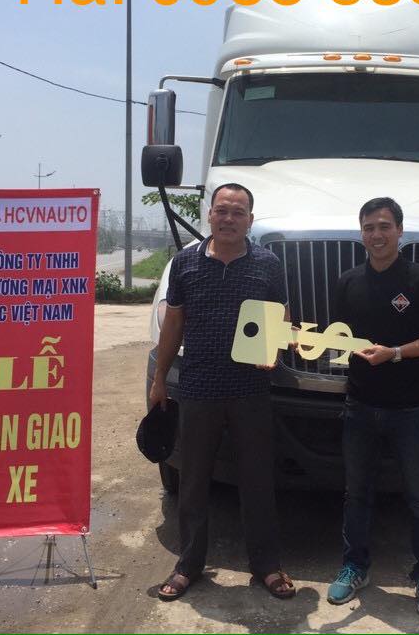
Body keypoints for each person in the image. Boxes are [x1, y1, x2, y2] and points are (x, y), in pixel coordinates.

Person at [148, 183, 295, 601]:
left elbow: (281, 317)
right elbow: (174, 324)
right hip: (198, 388)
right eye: (222, 210)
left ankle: (266, 566)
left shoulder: (267, 264)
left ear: (250, 220)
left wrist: (277, 349)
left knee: (257, 480)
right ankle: (188, 565)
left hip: (251, 390)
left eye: (238, 212)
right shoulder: (185, 263)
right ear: (209, 215)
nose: (229, 218)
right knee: (193, 480)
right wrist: (160, 378)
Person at [326, 196, 419, 618]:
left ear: (400, 230)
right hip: (359, 406)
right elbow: (339, 340)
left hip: (409, 409)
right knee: (356, 495)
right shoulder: (348, 282)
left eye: (384, 226)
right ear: (361, 233)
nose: (376, 235)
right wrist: (302, 343)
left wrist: (395, 353)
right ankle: (355, 567)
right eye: (369, 227)